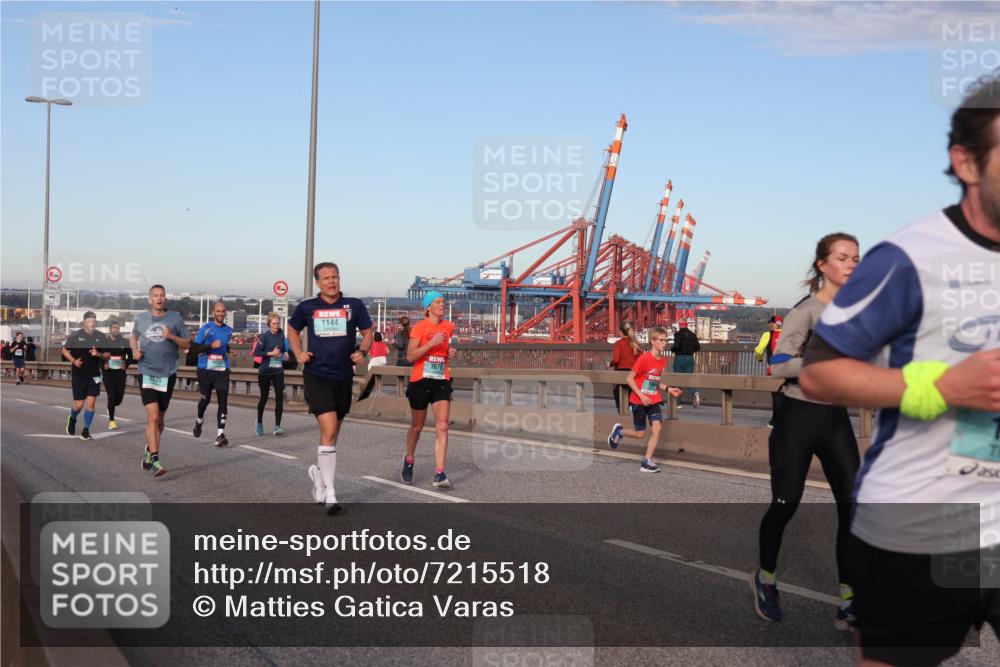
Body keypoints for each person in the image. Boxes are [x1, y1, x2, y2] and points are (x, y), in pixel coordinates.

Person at [800, 75, 1000, 666]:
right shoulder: (910, 257)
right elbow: (819, 374)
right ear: (966, 161)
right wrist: (940, 386)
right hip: (919, 526)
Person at [750, 233, 861, 630]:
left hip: (835, 419)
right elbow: (778, 364)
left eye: (856, 258)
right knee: (785, 504)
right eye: (843, 257)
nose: (851, 264)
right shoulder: (807, 311)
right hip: (798, 416)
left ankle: (850, 599)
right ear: (822, 265)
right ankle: (765, 580)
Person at [289, 262, 373, 514]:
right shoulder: (307, 307)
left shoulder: (354, 305)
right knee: (328, 429)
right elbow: (292, 331)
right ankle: (331, 494)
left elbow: (368, 332)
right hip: (317, 375)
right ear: (318, 283)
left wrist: (362, 351)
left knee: (333, 434)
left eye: (335, 277)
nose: (332, 281)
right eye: (326, 278)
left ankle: (318, 475)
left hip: (343, 377)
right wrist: (298, 353)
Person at [131, 284, 190, 477]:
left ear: (165, 299)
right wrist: (134, 351)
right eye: (155, 296)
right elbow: (133, 336)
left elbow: (187, 343)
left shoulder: (175, 318)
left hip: (168, 373)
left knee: (160, 421)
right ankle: (156, 460)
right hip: (147, 371)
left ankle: (149, 449)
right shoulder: (141, 318)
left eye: (162, 295)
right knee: (153, 417)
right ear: (150, 299)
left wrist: (171, 336)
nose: (159, 298)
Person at [607, 326, 683, 472]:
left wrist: (668, 389)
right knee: (640, 434)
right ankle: (619, 432)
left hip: (653, 400)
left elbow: (654, 380)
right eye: (661, 340)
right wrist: (641, 395)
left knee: (657, 428)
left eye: (666, 340)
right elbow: (629, 379)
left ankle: (647, 461)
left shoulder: (662, 360)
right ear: (652, 341)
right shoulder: (644, 358)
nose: (664, 343)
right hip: (638, 401)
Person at [402, 292, 458, 488]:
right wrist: (431, 343)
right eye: (437, 302)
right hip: (420, 380)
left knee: (442, 426)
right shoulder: (419, 327)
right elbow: (410, 356)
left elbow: (445, 352)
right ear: (428, 307)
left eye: (443, 301)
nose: (442, 305)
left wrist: (450, 352)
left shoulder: (449, 327)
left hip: (441, 379)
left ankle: (440, 473)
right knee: (417, 426)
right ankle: (409, 459)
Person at [62, 312, 110, 441]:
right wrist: (73, 361)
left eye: (94, 321)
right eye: (89, 321)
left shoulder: (101, 336)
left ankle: (86, 430)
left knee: (91, 402)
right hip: (79, 374)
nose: (92, 323)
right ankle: (72, 417)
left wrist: (98, 354)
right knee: (78, 405)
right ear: (84, 322)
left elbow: (108, 354)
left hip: (95, 375)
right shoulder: (75, 335)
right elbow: (64, 350)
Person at [192, 302, 234, 447]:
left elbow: (223, 344)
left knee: (223, 400)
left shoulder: (229, 330)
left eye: (223, 311)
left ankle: (220, 435)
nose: (221, 314)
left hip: (222, 369)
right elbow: (194, 348)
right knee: (205, 400)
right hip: (205, 369)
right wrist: (210, 346)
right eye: (218, 311)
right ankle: (199, 421)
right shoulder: (206, 329)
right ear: (213, 312)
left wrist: (228, 350)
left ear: (225, 313)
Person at [255, 312, 289, 436]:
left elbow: (283, 348)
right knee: (264, 398)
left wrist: (285, 353)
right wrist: (270, 353)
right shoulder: (264, 336)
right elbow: (257, 353)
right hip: (265, 371)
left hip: (278, 370)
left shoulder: (281, 334)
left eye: (277, 323)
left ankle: (277, 426)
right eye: (274, 324)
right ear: (269, 324)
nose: (276, 326)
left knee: (279, 398)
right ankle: (259, 422)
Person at [754, 315, 785, 427]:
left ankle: (775, 421)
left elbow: (758, 350)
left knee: (776, 397)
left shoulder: (767, 335)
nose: (769, 325)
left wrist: (759, 358)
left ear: (774, 324)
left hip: (773, 371)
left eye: (770, 323)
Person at [103, 320, 133, 430]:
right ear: (110, 329)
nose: (116, 330)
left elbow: (130, 357)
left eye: (118, 328)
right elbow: (100, 357)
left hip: (120, 374)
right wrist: (103, 366)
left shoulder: (124, 342)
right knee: (111, 397)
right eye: (114, 328)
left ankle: (110, 406)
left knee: (118, 400)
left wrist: (126, 364)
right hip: (108, 375)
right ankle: (111, 420)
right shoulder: (104, 343)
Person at [610, 322, 642, 414]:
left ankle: (621, 410)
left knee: (617, 391)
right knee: (633, 393)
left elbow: (616, 360)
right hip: (634, 373)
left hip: (621, 372)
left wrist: (610, 364)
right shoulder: (636, 344)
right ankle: (633, 408)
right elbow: (641, 359)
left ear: (621, 332)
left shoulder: (618, 343)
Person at [671, 319, 702, 407]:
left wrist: (672, 349)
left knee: (678, 379)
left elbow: (676, 346)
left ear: (679, 325)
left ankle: (678, 403)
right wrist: (691, 351)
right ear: (687, 324)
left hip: (680, 358)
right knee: (688, 379)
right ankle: (694, 393)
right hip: (690, 358)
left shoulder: (677, 334)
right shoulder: (693, 335)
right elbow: (698, 347)